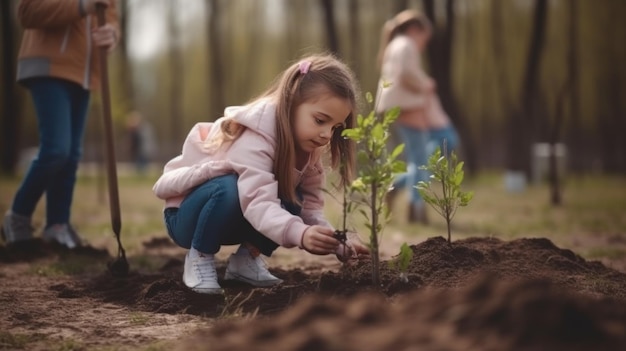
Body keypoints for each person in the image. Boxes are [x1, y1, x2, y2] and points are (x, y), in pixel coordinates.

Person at [152, 54, 370, 294]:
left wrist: (339, 243)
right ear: (291, 101)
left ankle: (245, 261)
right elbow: (258, 202)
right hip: (187, 218)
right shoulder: (256, 136)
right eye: (320, 120)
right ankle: (200, 257)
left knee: (292, 194)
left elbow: (310, 210)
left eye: (334, 127)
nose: (327, 135)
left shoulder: (310, 151)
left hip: (237, 214)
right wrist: (300, 234)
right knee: (229, 187)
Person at [1, 0, 119, 248]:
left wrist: (112, 33)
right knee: (57, 149)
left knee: (71, 155)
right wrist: (81, 5)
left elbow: (109, 14)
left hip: (84, 73)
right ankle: (18, 216)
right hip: (49, 67)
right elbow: (27, 12)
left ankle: (57, 224)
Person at [376, 9, 458, 224]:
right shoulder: (406, 44)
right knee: (420, 159)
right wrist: (426, 84)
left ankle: (402, 193)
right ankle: (416, 209)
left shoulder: (397, 43)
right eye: (424, 38)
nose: (423, 44)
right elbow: (406, 73)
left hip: (398, 105)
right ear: (415, 30)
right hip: (407, 106)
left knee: (418, 157)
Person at [126, 111, 156, 175]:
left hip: (143, 149)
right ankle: (141, 173)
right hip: (140, 149)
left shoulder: (144, 129)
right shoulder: (138, 130)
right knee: (140, 163)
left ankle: (142, 173)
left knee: (143, 162)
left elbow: (146, 139)